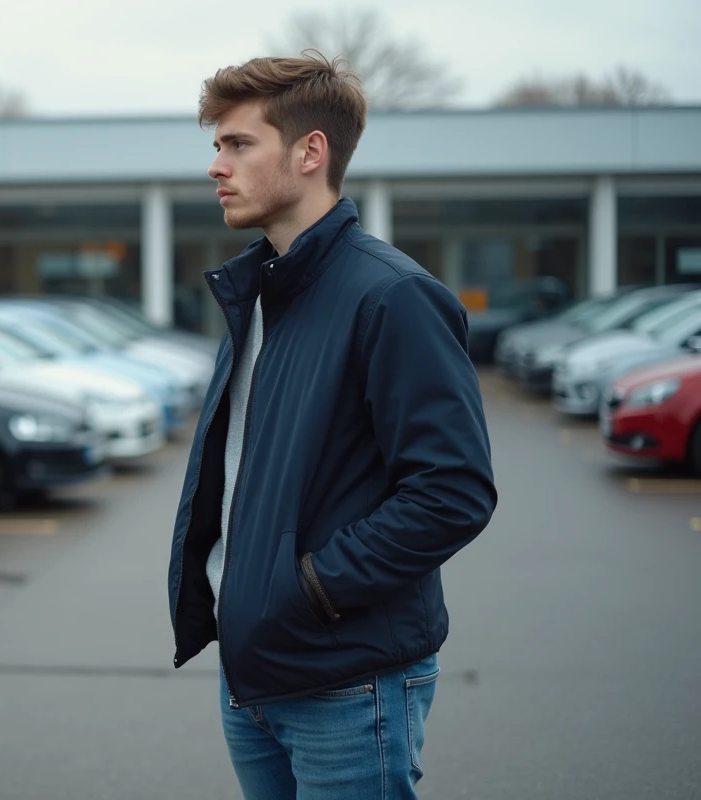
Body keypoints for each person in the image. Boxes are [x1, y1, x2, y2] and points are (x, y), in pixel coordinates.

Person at [165, 52, 498, 799]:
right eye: (217, 145)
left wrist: (308, 589)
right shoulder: (258, 291)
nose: (216, 166)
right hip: (253, 669)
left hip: (347, 681)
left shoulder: (393, 296)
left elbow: (453, 492)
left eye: (238, 144)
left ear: (311, 151)